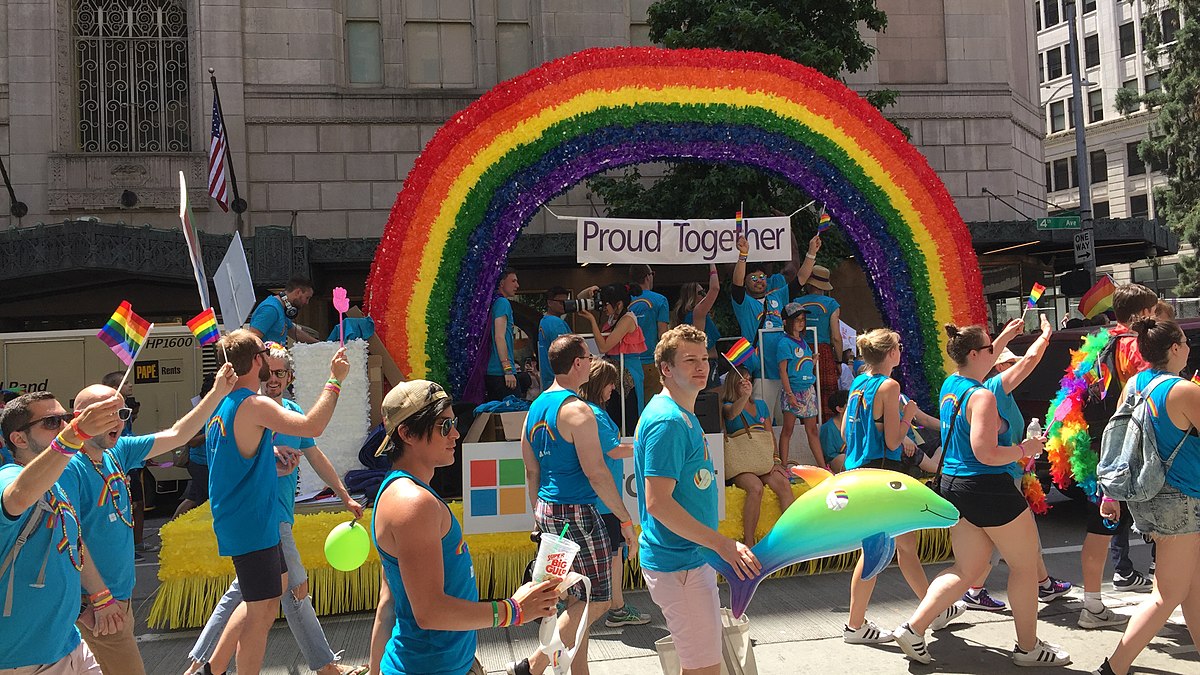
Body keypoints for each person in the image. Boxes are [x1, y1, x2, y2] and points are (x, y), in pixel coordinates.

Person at [891, 324, 1069, 667]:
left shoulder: (951, 384)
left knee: (967, 568)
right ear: (974, 354)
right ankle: (1029, 649)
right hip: (987, 487)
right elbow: (986, 453)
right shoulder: (983, 396)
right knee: (1025, 565)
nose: (995, 352)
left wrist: (1005, 336)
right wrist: (1023, 449)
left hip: (954, 486)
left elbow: (984, 358)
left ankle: (913, 628)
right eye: (990, 348)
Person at [185, 343, 365, 675]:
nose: (271, 368)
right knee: (260, 612)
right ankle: (211, 668)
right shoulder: (252, 404)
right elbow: (313, 426)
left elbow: (236, 460)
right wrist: (335, 380)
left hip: (255, 520)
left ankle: (211, 666)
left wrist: (272, 460)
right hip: (252, 523)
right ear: (257, 361)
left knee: (269, 598)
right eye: (265, 358)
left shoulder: (223, 404)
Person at [370, 380, 560, 674]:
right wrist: (513, 610)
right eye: (444, 426)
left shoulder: (405, 494)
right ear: (407, 433)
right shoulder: (413, 503)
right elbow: (430, 612)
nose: (456, 434)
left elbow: (388, 603)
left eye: (454, 423)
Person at [59, 363, 235, 675]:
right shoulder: (69, 467)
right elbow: (69, 538)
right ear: (81, 419)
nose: (118, 421)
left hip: (118, 599)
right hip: (97, 603)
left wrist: (218, 392)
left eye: (122, 413)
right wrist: (98, 598)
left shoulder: (118, 451)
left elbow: (178, 433)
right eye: (108, 413)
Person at [508, 334, 637, 675]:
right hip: (577, 511)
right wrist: (625, 520)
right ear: (577, 363)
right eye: (589, 357)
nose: (593, 362)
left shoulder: (535, 407)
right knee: (597, 600)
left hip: (549, 511)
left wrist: (537, 515)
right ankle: (532, 666)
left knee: (577, 601)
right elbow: (596, 473)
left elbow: (531, 469)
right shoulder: (577, 410)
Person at [636, 325, 761, 675]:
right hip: (680, 563)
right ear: (666, 368)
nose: (701, 366)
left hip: (689, 558)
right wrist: (723, 545)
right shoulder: (669, 421)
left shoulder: (678, 414)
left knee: (699, 663)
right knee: (704, 668)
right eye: (689, 360)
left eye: (704, 359)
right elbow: (658, 503)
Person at [1093, 318, 1200, 675]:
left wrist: (1109, 493)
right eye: (1184, 341)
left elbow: (1118, 442)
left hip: (1146, 495)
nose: (1188, 347)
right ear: (1173, 348)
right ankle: (1115, 667)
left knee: (1192, 587)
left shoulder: (1136, 383)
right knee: (1166, 594)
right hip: (1182, 499)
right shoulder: (1184, 391)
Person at [0, 390, 126, 673]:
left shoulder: (55, 483)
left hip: (68, 645)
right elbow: (19, 495)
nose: (65, 427)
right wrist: (76, 433)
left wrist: (89, 603)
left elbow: (70, 547)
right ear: (18, 439)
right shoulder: (9, 476)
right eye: (51, 422)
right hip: (24, 659)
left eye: (67, 420)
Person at [840, 328, 948, 646]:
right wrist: (908, 416)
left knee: (905, 546)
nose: (901, 350)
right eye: (899, 346)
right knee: (875, 552)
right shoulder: (890, 386)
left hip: (860, 471)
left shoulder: (859, 382)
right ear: (890, 354)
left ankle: (934, 608)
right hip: (882, 474)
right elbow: (893, 440)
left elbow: (847, 434)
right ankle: (854, 626)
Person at [961, 320, 1072, 612]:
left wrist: (1008, 334)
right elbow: (1032, 359)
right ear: (995, 365)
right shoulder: (994, 388)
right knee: (1006, 543)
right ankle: (975, 591)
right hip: (996, 477)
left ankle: (1043, 583)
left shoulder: (975, 386)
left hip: (997, 474)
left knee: (1009, 538)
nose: (1013, 366)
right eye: (1007, 362)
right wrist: (1046, 335)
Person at [576, 358, 650, 628]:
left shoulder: (588, 410)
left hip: (598, 499)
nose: (613, 389)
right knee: (613, 556)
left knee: (611, 555)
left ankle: (611, 607)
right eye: (609, 383)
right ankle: (615, 608)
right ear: (599, 384)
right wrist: (648, 444)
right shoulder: (595, 413)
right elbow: (614, 450)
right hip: (603, 503)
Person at [729, 234, 820, 420]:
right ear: (746, 283)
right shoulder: (743, 304)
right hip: (762, 373)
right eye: (753, 277)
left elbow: (800, 279)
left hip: (788, 373)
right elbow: (736, 285)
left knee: (786, 425)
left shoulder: (777, 297)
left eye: (762, 277)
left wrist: (811, 253)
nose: (759, 280)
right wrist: (743, 255)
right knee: (765, 423)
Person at [720, 367, 795, 546]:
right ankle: (749, 542)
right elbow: (731, 414)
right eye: (742, 380)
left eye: (748, 379)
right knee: (755, 488)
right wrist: (744, 397)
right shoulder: (727, 405)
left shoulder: (760, 405)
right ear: (733, 384)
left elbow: (769, 434)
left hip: (763, 459)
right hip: (742, 464)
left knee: (783, 483)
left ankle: (791, 537)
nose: (747, 382)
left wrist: (776, 460)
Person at [577, 283, 646, 432]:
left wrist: (592, 321)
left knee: (629, 417)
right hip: (612, 373)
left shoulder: (627, 319)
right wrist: (590, 290)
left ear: (619, 304)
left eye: (606, 304)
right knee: (612, 415)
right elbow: (579, 300)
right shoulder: (613, 318)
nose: (603, 308)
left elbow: (604, 347)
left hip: (627, 375)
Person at [776, 303, 824, 468]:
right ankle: (784, 467)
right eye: (796, 320)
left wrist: (813, 362)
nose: (801, 323)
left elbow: (802, 365)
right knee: (788, 430)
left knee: (812, 430)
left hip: (808, 389)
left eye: (802, 319)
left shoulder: (803, 341)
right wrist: (790, 395)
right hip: (793, 391)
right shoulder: (784, 343)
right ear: (786, 322)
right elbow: (783, 371)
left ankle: (823, 467)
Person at [792, 265, 842, 418]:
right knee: (827, 395)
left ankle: (806, 425)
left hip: (800, 349)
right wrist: (839, 361)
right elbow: (836, 337)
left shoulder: (796, 302)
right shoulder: (831, 304)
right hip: (824, 352)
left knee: (802, 390)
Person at [173, 373, 218, 520]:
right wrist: (210, 434)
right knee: (207, 500)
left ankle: (170, 528)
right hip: (200, 463)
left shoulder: (214, 410)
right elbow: (191, 440)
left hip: (208, 463)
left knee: (192, 498)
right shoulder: (199, 413)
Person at [628, 264, 670, 406]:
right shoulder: (660, 300)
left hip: (628, 362)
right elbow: (662, 333)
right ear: (647, 276)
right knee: (654, 405)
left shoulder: (624, 299)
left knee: (633, 407)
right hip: (651, 361)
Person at [673, 264, 721, 386]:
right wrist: (712, 262)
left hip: (701, 364)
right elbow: (715, 289)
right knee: (714, 401)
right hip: (706, 363)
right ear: (691, 297)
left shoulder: (689, 316)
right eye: (701, 292)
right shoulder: (697, 313)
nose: (704, 295)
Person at [486, 269, 525, 402]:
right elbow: (499, 336)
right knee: (513, 416)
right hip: (501, 372)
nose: (517, 285)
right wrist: (508, 370)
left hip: (493, 370)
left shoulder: (494, 303)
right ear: (502, 283)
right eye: (513, 281)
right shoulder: (502, 303)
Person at [247, 277, 319, 345]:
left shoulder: (282, 308)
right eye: (307, 298)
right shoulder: (271, 309)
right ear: (298, 292)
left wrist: (320, 343)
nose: (307, 302)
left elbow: (296, 333)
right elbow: (252, 338)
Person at [538, 286, 572, 392]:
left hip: (549, 380)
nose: (564, 305)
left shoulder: (544, 321)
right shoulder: (555, 322)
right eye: (561, 302)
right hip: (560, 380)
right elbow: (566, 351)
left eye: (566, 302)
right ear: (549, 303)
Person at [818, 389, 849, 473]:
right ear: (839, 409)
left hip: (854, 458)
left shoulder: (857, 423)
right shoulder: (828, 428)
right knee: (842, 459)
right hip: (836, 462)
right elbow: (829, 455)